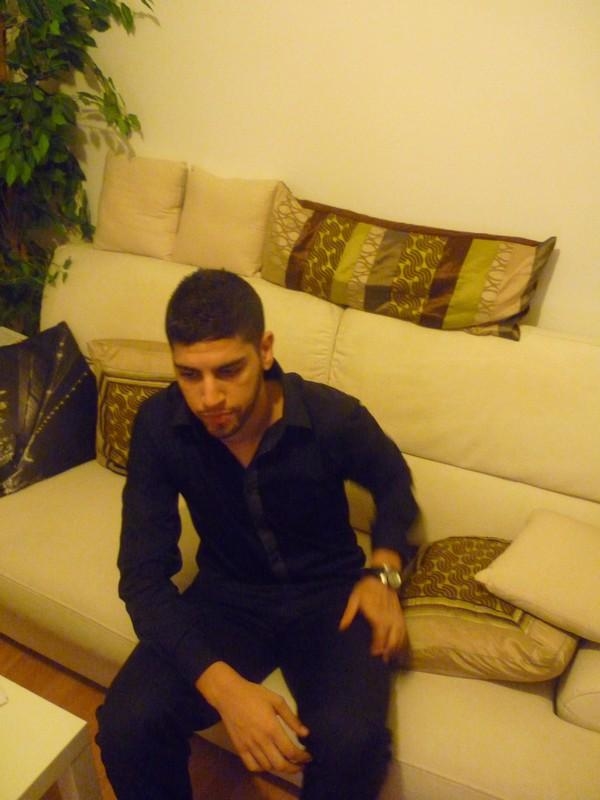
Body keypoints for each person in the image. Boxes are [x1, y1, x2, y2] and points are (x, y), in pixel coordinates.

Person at [96, 268, 418, 800]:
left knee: (352, 743)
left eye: (228, 371)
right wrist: (224, 688)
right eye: (189, 375)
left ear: (264, 351)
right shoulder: (158, 426)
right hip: (228, 596)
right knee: (127, 724)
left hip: (330, 596)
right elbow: (142, 577)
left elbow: (393, 482)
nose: (208, 397)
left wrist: (383, 572)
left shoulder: (330, 416)